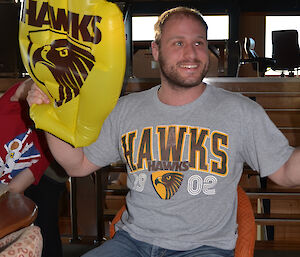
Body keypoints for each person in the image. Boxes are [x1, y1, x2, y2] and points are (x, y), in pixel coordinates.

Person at [27, 6, 300, 257]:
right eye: (178, 43)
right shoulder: (125, 109)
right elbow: (79, 164)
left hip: (202, 248)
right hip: (132, 242)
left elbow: (287, 172)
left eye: (199, 43)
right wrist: (49, 117)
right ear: (156, 51)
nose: (191, 53)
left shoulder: (241, 112)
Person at [0, 78, 68, 257]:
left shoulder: (50, 148)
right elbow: (22, 89)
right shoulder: (9, 110)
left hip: (42, 173)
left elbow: (16, 187)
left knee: (44, 223)